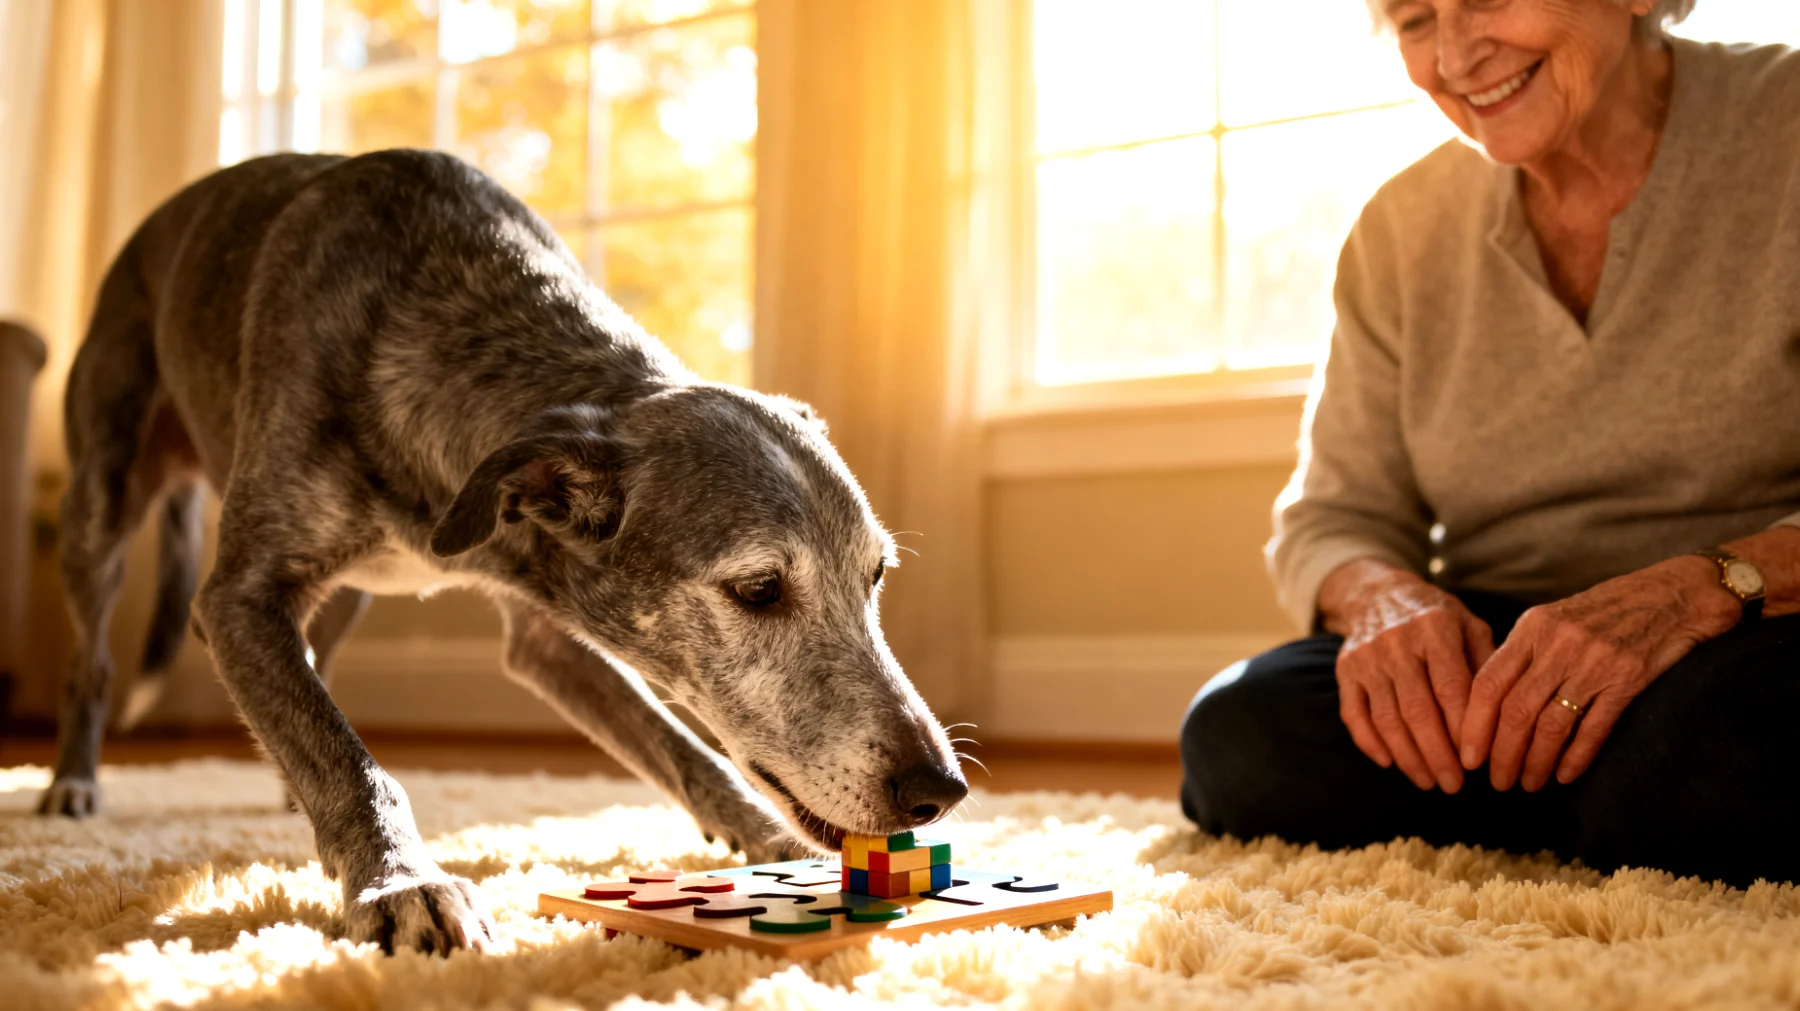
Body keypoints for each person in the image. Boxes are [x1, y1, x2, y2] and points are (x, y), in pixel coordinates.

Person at [1179, 0, 1800, 888]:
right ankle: (1612, 794)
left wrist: (1696, 590)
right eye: (1416, 18)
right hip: (1503, 654)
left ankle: (1589, 789)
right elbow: (1334, 516)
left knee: (1715, 737)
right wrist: (1385, 603)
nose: (1458, 54)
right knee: (1240, 731)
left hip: (1748, 623)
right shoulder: (1400, 227)